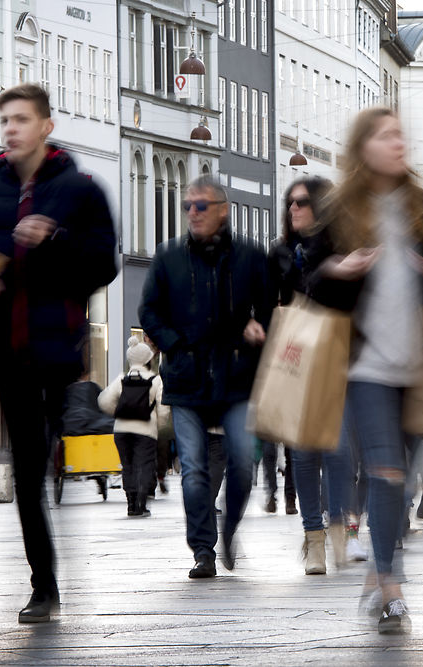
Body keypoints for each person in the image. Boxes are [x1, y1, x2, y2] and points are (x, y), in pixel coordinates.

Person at [0, 83, 117, 623]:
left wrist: (58, 237)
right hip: (7, 351)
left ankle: (49, 569)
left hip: (58, 348)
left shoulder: (81, 190)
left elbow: (104, 265)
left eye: (22, 119)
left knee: (43, 458)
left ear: (46, 125)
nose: (12, 129)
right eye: (6, 121)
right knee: (27, 470)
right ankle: (43, 584)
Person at [306, 107, 423, 633]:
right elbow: (314, 285)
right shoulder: (342, 209)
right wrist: (336, 269)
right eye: (386, 135)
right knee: (386, 470)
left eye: (401, 134)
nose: (398, 142)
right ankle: (393, 588)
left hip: (420, 365)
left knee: (403, 474)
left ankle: (377, 566)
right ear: (364, 147)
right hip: (366, 365)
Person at [139, 175, 273, 579]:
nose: (193, 213)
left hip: (235, 376)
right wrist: (173, 343)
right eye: (188, 207)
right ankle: (203, 549)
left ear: (223, 210)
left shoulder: (250, 257)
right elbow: (149, 311)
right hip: (186, 376)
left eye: (201, 206)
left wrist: (258, 327)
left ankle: (229, 527)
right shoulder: (168, 258)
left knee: (243, 464)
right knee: (194, 468)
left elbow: (270, 307)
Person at [268, 176, 355, 575]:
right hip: (298, 359)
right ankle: (314, 538)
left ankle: (339, 532)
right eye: (290, 203)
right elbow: (271, 302)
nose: (294, 209)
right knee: (302, 455)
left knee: (337, 452)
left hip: (337, 357)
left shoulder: (340, 250)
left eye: (302, 202)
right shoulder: (281, 253)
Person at [99, 337, 170, 517]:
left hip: (121, 430)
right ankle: (141, 502)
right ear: (148, 359)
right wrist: (160, 428)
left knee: (128, 465)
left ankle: (130, 502)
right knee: (144, 465)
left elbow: (104, 400)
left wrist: (119, 412)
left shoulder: (121, 379)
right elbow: (163, 410)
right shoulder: (155, 380)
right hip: (145, 431)